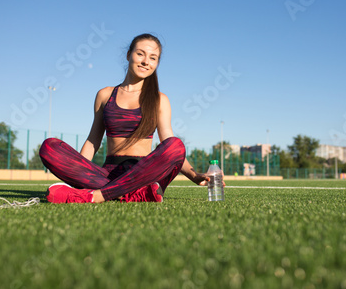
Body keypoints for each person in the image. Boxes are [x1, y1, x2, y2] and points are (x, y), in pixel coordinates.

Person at [39, 33, 220, 203]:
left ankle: (96, 196)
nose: (145, 61)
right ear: (128, 55)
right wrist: (78, 172)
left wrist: (195, 176)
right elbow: (93, 140)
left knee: (176, 145)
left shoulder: (160, 99)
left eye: (152, 58)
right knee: (49, 147)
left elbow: (169, 144)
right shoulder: (105, 95)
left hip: (145, 174)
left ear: (157, 63)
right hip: (107, 174)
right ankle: (132, 194)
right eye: (140, 54)